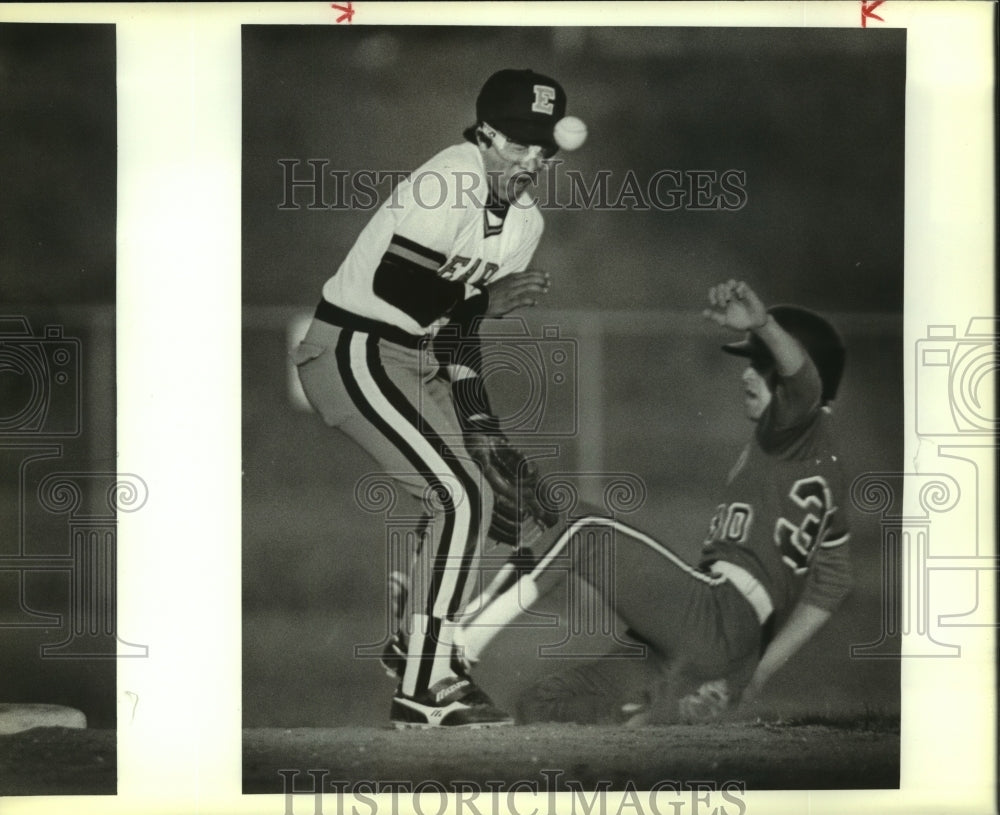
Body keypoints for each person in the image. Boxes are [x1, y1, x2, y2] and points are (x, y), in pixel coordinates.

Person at [293, 69, 581, 728]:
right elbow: (396, 285)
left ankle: (418, 646)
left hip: (415, 359)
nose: (531, 160)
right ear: (484, 134)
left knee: (490, 494)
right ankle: (424, 686)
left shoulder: (525, 223)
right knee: (461, 496)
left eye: (542, 149)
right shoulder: (450, 176)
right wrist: (481, 301)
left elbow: (457, 332)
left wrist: (481, 420)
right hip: (354, 347)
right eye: (518, 143)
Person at [455, 279, 853, 724]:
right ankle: (651, 715)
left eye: (762, 364)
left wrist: (765, 325)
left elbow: (804, 382)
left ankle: (456, 647)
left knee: (585, 529)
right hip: (715, 639)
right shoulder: (823, 465)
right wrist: (755, 675)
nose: (746, 374)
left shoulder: (797, 428)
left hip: (716, 613)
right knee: (541, 704)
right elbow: (832, 584)